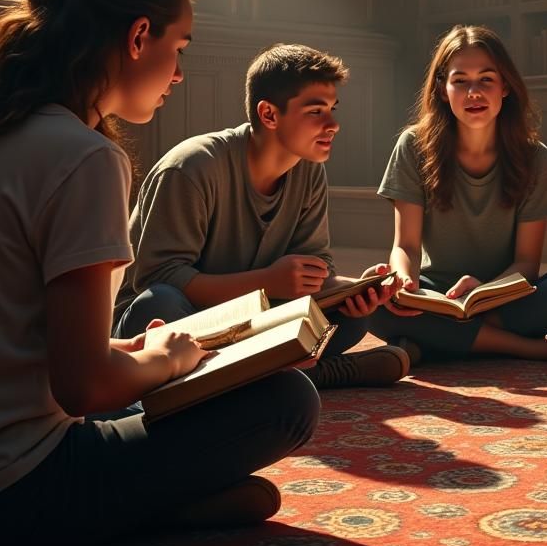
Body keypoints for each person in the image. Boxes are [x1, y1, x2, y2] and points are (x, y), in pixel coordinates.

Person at [0, 0, 319, 546]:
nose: (179, 72)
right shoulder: (84, 158)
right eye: (179, 48)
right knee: (286, 402)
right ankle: (153, 508)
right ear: (138, 35)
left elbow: (8, 334)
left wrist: (128, 348)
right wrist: (168, 359)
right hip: (7, 491)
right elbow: (86, 390)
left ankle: (161, 500)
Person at [113, 43, 407, 390]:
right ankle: (311, 373)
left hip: (250, 319)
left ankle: (250, 377)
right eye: (316, 112)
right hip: (168, 326)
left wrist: (353, 289)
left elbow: (312, 268)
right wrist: (267, 282)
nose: (333, 125)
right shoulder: (192, 167)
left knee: (352, 318)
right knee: (159, 304)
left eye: (332, 109)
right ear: (269, 114)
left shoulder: (308, 169)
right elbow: (159, 279)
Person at [369, 24, 547, 362]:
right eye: (460, 81)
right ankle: (525, 347)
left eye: (486, 79)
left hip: (503, 296)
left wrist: (484, 294)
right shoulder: (413, 146)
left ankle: (438, 338)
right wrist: (405, 286)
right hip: (435, 293)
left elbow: (526, 263)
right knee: (369, 302)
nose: (474, 92)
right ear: (442, 90)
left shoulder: (534, 157)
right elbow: (405, 246)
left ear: (505, 87)